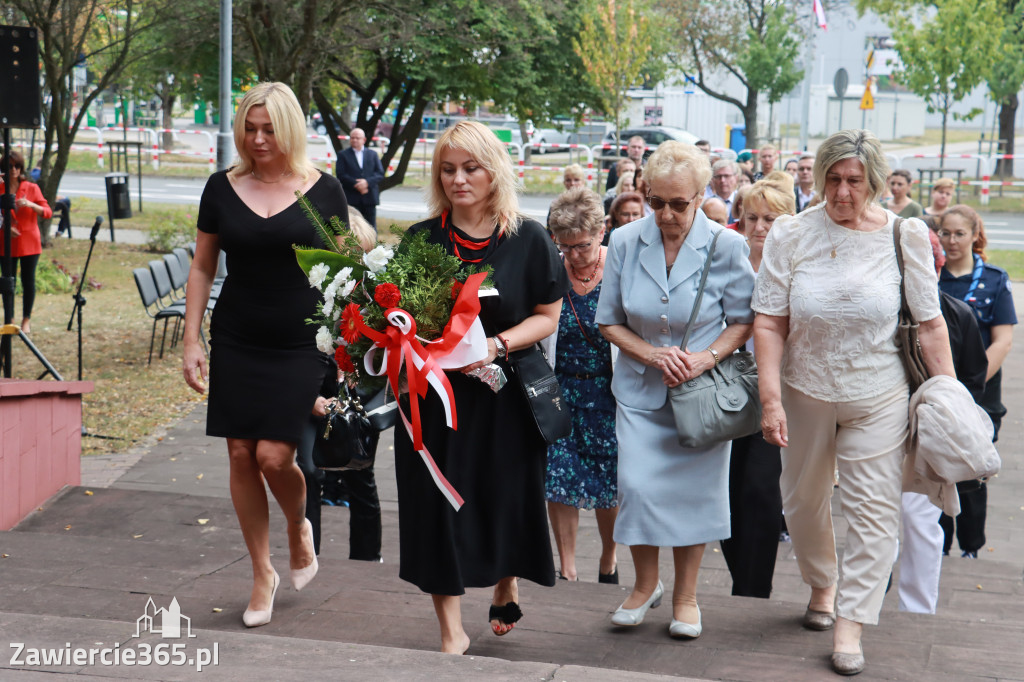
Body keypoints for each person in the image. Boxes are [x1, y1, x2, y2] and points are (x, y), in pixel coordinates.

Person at [752, 129, 955, 676]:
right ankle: (823, 581)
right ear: (819, 179)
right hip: (804, 389)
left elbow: (931, 325)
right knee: (801, 501)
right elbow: (769, 323)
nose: (843, 192)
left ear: (876, 182)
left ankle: (851, 621)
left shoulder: (904, 235)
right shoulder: (790, 233)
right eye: (834, 180)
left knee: (874, 512)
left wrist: (950, 396)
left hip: (878, 392)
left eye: (855, 181)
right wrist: (770, 400)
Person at [181, 82, 349, 628]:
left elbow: (345, 274)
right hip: (237, 335)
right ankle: (261, 572)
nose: (257, 139)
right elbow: (203, 266)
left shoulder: (324, 192)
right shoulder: (220, 188)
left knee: (275, 457)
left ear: (290, 129)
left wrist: (348, 349)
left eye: (268, 129)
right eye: (249, 129)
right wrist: (191, 337)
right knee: (239, 454)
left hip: (301, 340)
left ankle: (299, 526)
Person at [397, 120, 567, 654]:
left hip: (505, 399)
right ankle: (450, 628)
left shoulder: (529, 238)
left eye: (470, 168)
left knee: (504, 500)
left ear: (494, 171)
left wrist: (495, 346)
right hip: (434, 404)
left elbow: (548, 316)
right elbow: (394, 316)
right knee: (434, 506)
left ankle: (505, 579)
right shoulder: (421, 240)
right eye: (447, 169)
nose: (458, 179)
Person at [596, 140, 755, 641]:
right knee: (638, 490)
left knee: (694, 497)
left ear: (701, 194)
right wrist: (651, 354)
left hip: (703, 398)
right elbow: (609, 322)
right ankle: (646, 585)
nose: (666, 213)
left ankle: (686, 596)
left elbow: (744, 321)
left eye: (679, 203)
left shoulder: (726, 245)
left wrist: (705, 357)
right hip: (640, 393)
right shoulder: (623, 241)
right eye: (656, 200)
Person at [897, 229, 987, 614]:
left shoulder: (957, 314)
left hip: (928, 433)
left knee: (919, 520)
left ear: (937, 270)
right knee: (874, 517)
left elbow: (971, 378)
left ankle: (917, 607)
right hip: (880, 424)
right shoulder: (887, 308)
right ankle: (868, 599)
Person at [719, 179, 794, 599]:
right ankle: (741, 580)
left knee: (761, 490)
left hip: (779, 389)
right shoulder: (729, 262)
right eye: (753, 217)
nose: (761, 226)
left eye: (771, 218)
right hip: (728, 388)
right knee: (726, 492)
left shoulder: (799, 265)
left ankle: (753, 589)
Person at [296, 210, 381, 560]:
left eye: (356, 258)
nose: (348, 270)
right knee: (308, 473)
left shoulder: (369, 293)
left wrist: (357, 386)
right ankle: (306, 555)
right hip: (308, 390)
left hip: (355, 395)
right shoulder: (304, 294)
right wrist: (310, 398)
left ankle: (366, 557)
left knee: (360, 474)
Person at [545, 187, 619, 584]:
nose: (573, 255)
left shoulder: (621, 268)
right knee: (560, 478)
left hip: (609, 393)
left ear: (602, 231)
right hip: (561, 392)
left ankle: (608, 558)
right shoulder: (553, 270)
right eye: (565, 246)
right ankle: (568, 567)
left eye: (582, 246)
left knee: (609, 479)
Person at [936, 205, 1016, 558]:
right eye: (945, 233)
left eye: (959, 234)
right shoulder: (929, 278)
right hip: (936, 388)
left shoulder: (995, 280)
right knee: (936, 465)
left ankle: (971, 545)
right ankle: (938, 543)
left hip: (978, 392)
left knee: (971, 467)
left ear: (974, 235)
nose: (951, 241)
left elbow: (1002, 340)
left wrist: (969, 385)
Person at [0, 150, 51, 335]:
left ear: (21, 168)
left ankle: (26, 319)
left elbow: (47, 211)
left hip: (29, 241)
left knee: (28, 281)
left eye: (17, 166)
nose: (14, 170)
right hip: (6, 242)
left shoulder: (31, 187)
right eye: (9, 166)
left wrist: (31, 205)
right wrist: (5, 228)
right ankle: (10, 319)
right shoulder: (0, 187)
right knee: (8, 282)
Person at [337, 127, 385, 229]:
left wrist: (367, 183)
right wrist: (356, 184)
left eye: (357, 138)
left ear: (364, 140)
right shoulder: (343, 155)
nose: (354, 140)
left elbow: (380, 173)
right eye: (352, 137)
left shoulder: (372, 154)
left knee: (371, 227)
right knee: (353, 227)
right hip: (352, 197)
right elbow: (341, 174)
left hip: (369, 197)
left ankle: (372, 245)